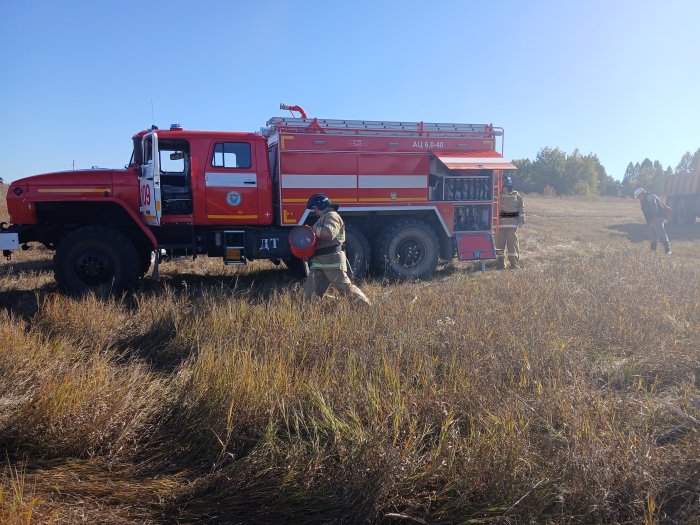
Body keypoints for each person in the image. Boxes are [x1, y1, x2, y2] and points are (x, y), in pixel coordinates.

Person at [303, 193, 372, 305]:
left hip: (332, 261)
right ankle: (312, 311)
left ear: (321, 205)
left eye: (315, 208)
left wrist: (313, 229)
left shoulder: (332, 216)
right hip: (319, 262)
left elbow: (328, 234)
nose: (314, 211)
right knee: (309, 293)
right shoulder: (322, 219)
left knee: (345, 288)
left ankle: (366, 306)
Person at [496, 175, 525, 270]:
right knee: (499, 247)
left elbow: (521, 209)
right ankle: (500, 265)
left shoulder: (516, 195)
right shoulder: (498, 195)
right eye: (502, 187)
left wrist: (521, 221)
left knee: (513, 247)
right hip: (500, 226)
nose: (504, 188)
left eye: (505, 186)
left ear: (509, 185)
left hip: (512, 226)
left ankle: (514, 266)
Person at [634, 187, 671, 254]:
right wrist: (649, 221)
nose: (638, 198)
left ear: (642, 194)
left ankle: (668, 250)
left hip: (657, 218)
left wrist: (655, 217)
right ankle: (653, 250)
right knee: (653, 234)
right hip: (652, 219)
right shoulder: (645, 199)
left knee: (660, 233)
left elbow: (654, 207)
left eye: (638, 196)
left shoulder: (650, 197)